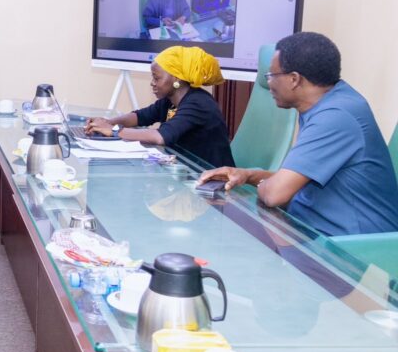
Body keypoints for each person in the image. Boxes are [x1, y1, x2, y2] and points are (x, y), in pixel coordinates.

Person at [198, 32, 398, 237]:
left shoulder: (335, 116)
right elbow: (291, 180)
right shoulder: (326, 103)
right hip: (313, 228)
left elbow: (275, 194)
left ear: (294, 79)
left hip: (349, 246)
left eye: (271, 76)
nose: (269, 84)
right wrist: (247, 175)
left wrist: (265, 185)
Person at [85, 46, 235, 167]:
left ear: (176, 78)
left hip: (213, 181)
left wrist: (114, 130)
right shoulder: (171, 99)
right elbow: (140, 116)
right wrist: (108, 122)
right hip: (187, 171)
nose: (152, 83)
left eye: (156, 78)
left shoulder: (198, 103)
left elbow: (160, 137)